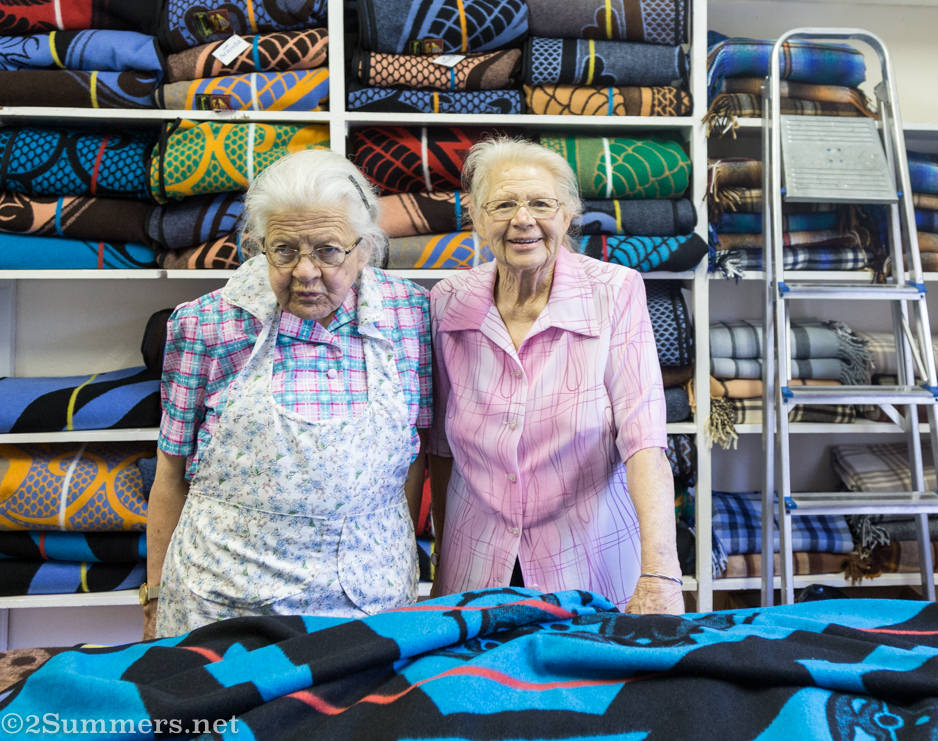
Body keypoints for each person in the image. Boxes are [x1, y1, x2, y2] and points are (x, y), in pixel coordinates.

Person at [143, 150, 431, 639]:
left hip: (370, 608)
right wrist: (153, 598)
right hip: (223, 608)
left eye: (328, 250)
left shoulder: (411, 317)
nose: (306, 271)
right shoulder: (205, 324)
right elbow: (170, 471)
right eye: (284, 250)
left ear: (364, 248)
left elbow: (413, 461)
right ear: (259, 246)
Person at [429, 137, 684, 615]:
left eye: (541, 203)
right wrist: (442, 555)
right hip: (476, 564)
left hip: (586, 558)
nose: (522, 219)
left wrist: (660, 572)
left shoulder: (615, 291)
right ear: (479, 220)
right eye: (503, 204)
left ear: (567, 215)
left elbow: (643, 440)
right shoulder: (447, 301)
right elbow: (442, 451)